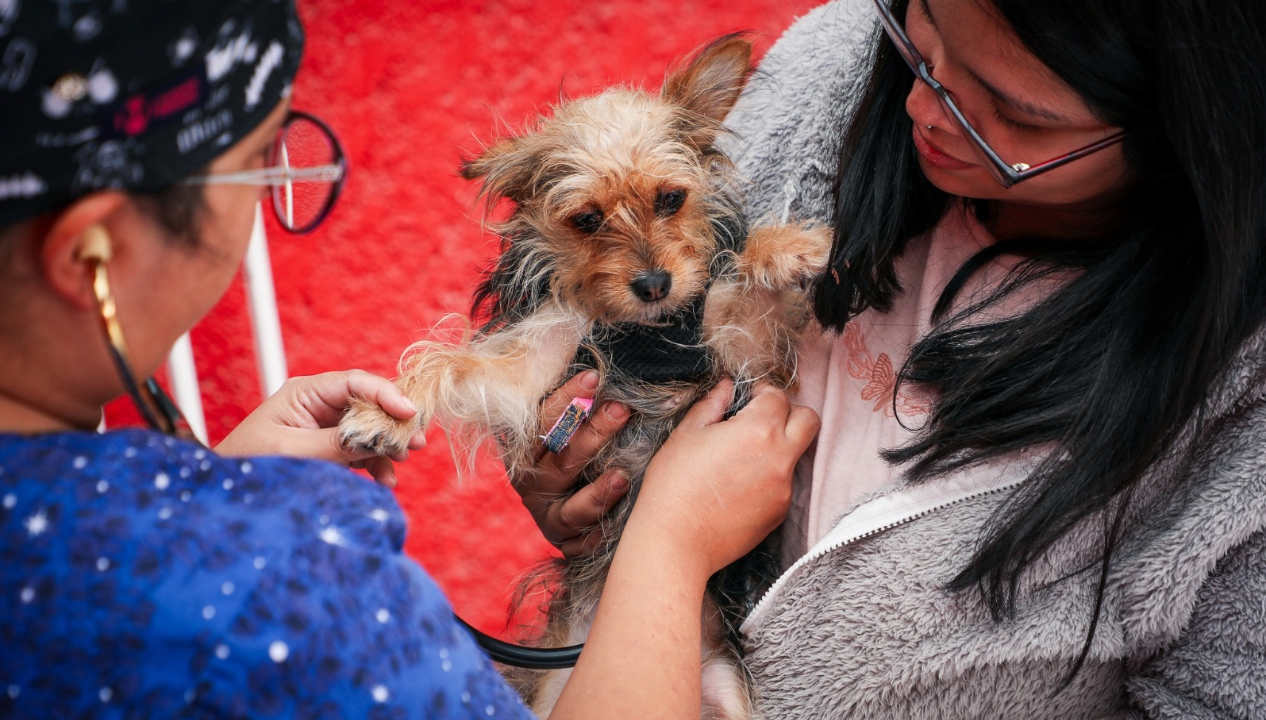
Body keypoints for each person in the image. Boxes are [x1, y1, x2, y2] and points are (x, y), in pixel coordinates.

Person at [0, 2, 818, 718]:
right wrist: (671, 543)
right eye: (260, 167)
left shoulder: (79, 536)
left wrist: (220, 483)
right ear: (89, 254)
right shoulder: (289, 577)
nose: (275, 194)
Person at [531, 0, 1266, 716]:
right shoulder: (823, 74)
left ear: (1189, 130)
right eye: (925, 39)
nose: (925, 107)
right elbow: (635, 337)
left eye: (1017, 113)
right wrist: (601, 492)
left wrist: (669, 541)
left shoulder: (1241, 413)